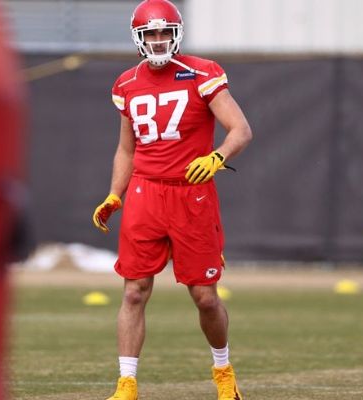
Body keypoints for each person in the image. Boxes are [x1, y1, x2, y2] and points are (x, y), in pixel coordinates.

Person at [91, 1, 252, 399]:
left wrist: (217, 157)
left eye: (165, 32)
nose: (159, 40)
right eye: (151, 34)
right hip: (145, 194)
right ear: (139, 38)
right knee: (133, 291)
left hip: (191, 195)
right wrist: (115, 193)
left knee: (205, 297)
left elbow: (241, 130)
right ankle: (126, 385)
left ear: (176, 34)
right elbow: (126, 150)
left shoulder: (202, 73)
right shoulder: (126, 83)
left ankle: (223, 373)